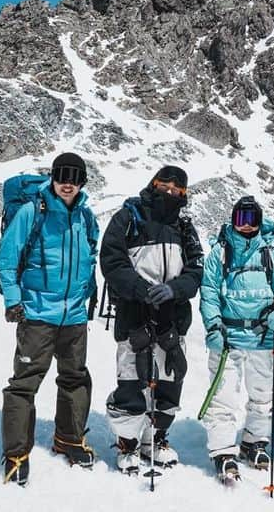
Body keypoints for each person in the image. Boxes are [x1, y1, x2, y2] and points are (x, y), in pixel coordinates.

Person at [0, 152, 99, 486]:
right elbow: (7, 259)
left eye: (74, 177)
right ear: (53, 178)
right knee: (25, 384)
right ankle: (15, 454)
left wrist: (89, 293)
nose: (67, 183)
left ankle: (68, 438)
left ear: (82, 181)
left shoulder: (85, 215)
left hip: (73, 317)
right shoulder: (32, 212)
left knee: (75, 378)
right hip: (37, 313)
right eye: (61, 175)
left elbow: (90, 256)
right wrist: (14, 300)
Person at [100, 165, 204, 474]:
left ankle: (155, 439)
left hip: (172, 316)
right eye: (165, 185)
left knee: (170, 379)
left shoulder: (184, 227)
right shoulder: (128, 218)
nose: (170, 192)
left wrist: (173, 289)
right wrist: (142, 290)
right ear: (153, 184)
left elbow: (197, 271)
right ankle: (128, 442)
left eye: (177, 189)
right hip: (135, 314)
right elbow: (112, 262)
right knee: (133, 379)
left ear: (183, 194)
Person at [199, 196, 274, 482]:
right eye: (242, 219)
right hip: (228, 337)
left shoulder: (270, 253)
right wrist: (213, 326)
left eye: (253, 220)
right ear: (233, 220)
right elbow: (210, 291)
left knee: (262, 395)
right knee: (223, 397)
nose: (248, 226)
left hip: (263, 336)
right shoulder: (220, 252)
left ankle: (255, 441)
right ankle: (223, 450)